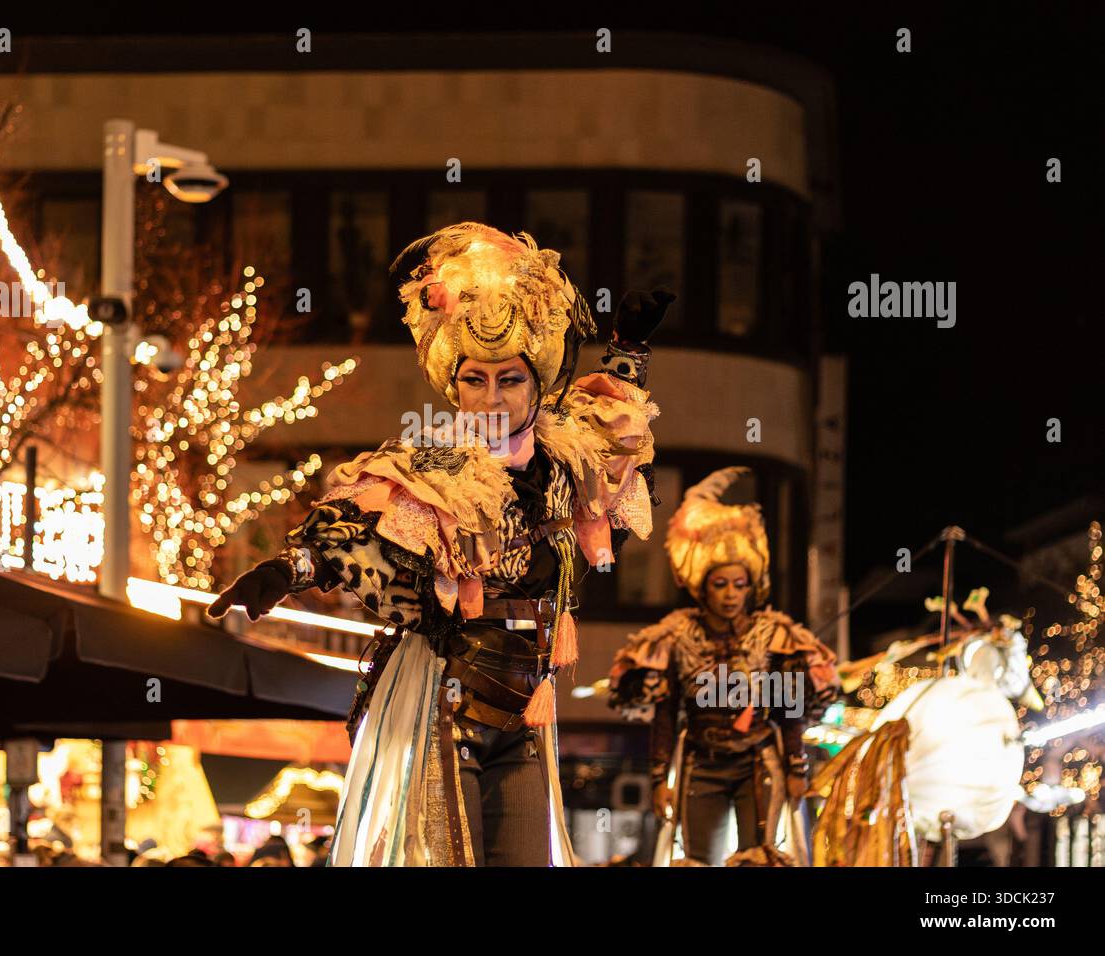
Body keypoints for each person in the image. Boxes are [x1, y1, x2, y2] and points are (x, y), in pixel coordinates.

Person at [208, 222, 669, 866]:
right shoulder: (430, 469)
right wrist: (290, 568)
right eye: (474, 380)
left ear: (536, 382)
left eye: (509, 380)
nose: (491, 399)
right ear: (453, 385)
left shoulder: (568, 462)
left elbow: (619, 441)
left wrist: (627, 353)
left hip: (528, 714)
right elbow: (359, 534)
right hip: (444, 707)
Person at [608, 467, 837, 865]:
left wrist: (797, 767)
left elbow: (790, 712)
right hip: (701, 763)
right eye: (721, 584)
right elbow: (666, 712)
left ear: (751, 586)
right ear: (702, 585)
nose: (731, 595)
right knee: (699, 860)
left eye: (739, 585)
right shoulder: (675, 635)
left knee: (760, 858)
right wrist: (660, 779)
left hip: (757, 761)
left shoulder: (776, 635)